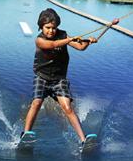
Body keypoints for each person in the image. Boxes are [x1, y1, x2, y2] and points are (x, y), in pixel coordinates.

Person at [22, 8, 97, 146]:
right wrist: (68, 39)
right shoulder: (39, 40)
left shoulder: (63, 35)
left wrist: (88, 41)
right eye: (47, 28)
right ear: (41, 27)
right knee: (37, 102)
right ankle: (26, 134)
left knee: (67, 107)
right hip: (42, 77)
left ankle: (83, 140)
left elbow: (80, 47)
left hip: (59, 79)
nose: (51, 31)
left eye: (54, 28)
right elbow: (53, 44)